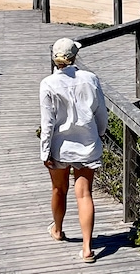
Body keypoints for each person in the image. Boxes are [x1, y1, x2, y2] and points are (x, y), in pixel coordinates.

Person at [39, 37, 108, 264]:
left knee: (59, 188)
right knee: (84, 194)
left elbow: (47, 123)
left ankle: (58, 230)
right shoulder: (90, 79)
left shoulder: (48, 83)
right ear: (74, 56)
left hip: (60, 147)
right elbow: (101, 114)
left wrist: (45, 151)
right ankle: (87, 248)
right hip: (87, 145)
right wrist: (99, 134)